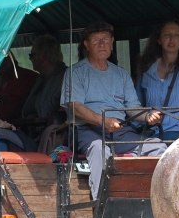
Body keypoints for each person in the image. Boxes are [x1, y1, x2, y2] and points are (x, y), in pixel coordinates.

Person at [60, 21, 165, 200]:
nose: (102, 44)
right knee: (100, 150)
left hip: (121, 131)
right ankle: (103, 206)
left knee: (158, 147)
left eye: (106, 40)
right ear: (86, 44)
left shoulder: (121, 74)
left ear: (112, 42)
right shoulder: (76, 72)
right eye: (96, 41)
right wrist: (103, 122)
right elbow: (74, 106)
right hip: (87, 130)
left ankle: (156, 201)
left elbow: (132, 108)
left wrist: (148, 116)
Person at [21, 34, 67, 125]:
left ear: (43, 55)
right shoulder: (40, 79)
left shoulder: (66, 77)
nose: (30, 59)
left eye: (32, 55)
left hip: (52, 133)